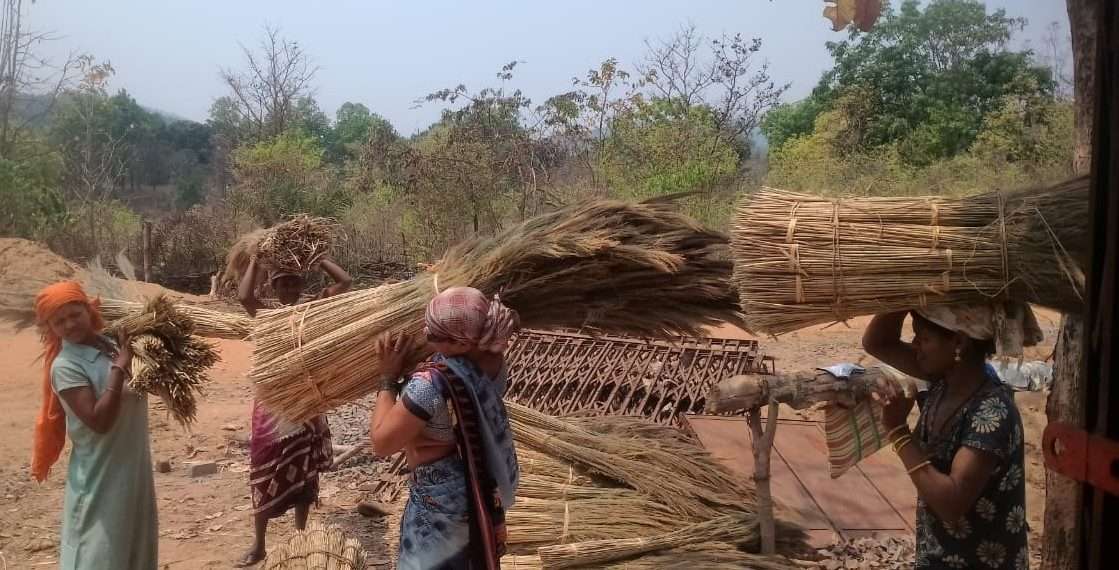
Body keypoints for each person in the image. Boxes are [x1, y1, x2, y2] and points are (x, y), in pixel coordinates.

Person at [863, 303, 1040, 570]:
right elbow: (877, 341)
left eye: (923, 338)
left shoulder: (992, 411)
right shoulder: (943, 382)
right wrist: (905, 293)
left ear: (958, 341)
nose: (914, 345)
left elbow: (950, 503)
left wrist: (898, 431)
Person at [370, 287, 520, 570]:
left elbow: (381, 443)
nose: (426, 334)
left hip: (438, 503)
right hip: (473, 491)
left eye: (435, 334)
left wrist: (387, 378)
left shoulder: (429, 386)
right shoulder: (492, 363)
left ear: (462, 342)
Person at [235, 256, 352, 567]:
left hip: (305, 401)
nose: (288, 286)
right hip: (272, 404)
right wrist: (256, 261)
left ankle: (300, 536)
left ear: (302, 285)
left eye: (293, 281)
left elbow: (345, 283)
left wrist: (320, 260)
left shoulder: (313, 311)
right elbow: (244, 296)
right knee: (262, 467)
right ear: (273, 286)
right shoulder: (267, 315)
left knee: (304, 472)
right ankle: (259, 543)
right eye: (282, 282)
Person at [32, 281, 158, 570]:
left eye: (74, 314)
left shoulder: (112, 345)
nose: (69, 324)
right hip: (99, 476)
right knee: (98, 555)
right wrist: (119, 368)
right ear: (50, 327)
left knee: (135, 550)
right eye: (58, 321)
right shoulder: (66, 366)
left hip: (132, 467)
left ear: (89, 310)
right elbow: (99, 422)